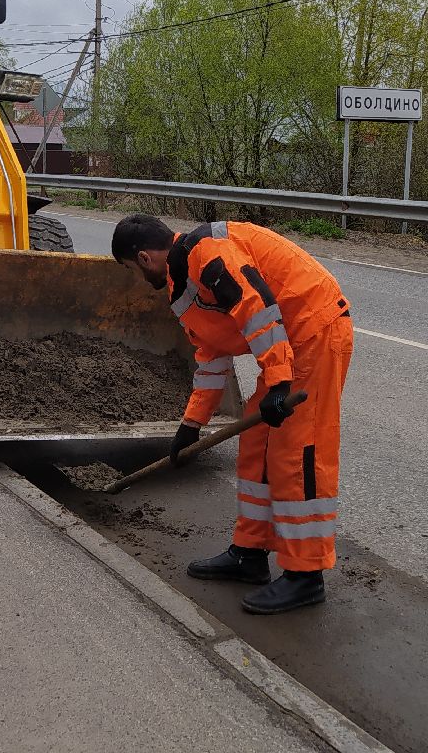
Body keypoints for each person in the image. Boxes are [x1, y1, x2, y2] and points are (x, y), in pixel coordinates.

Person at [112, 213, 353, 614]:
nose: (136, 278)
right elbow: (210, 355)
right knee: (255, 446)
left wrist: (278, 381)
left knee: (296, 453)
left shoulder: (209, 254)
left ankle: (306, 575)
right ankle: (249, 554)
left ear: (142, 258)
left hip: (315, 330)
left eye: (130, 270)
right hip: (286, 345)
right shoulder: (180, 283)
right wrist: (192, 424)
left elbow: (257, 309)